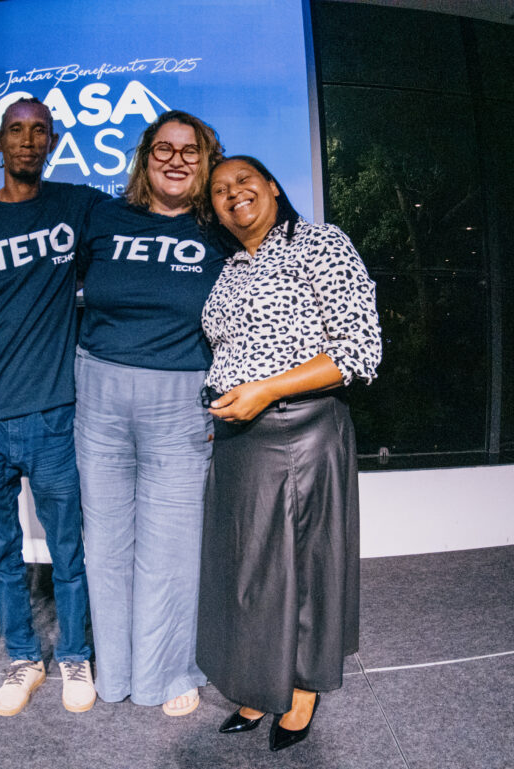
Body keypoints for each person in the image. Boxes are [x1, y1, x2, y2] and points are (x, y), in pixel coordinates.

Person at [197, 156, 382, 751]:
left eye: (244, 181)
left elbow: (360, 351)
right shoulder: (231, 269)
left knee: (304, 570)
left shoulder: (320, 244)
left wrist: (264, 391)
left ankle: (301, 694)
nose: (233, 194)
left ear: (273, 187)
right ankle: (259, 683)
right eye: (220, 190)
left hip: (299, 429)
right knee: (247, 570)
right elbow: (233, 351)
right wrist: (228, 406)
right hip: (238, 439)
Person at [0, 97, 108, 717]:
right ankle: (23, 661)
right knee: (3, 554)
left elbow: (139, 226)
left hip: (56, 417)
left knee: (69, 551)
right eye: (16, 131)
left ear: (52, 141)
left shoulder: (78, 205)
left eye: (39, 132)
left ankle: (76, 658)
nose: (28, 141)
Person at [74, 110, 227, 716]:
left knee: (170, 547)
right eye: (164, 148)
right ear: (145, 157)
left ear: (207, 161)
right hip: (99, 394)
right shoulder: (102, 215)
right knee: (106, 545)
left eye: (191, 151)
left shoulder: (220, 231)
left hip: (181, 400)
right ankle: (115, 673)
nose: (176, 159)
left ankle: (168, 673)